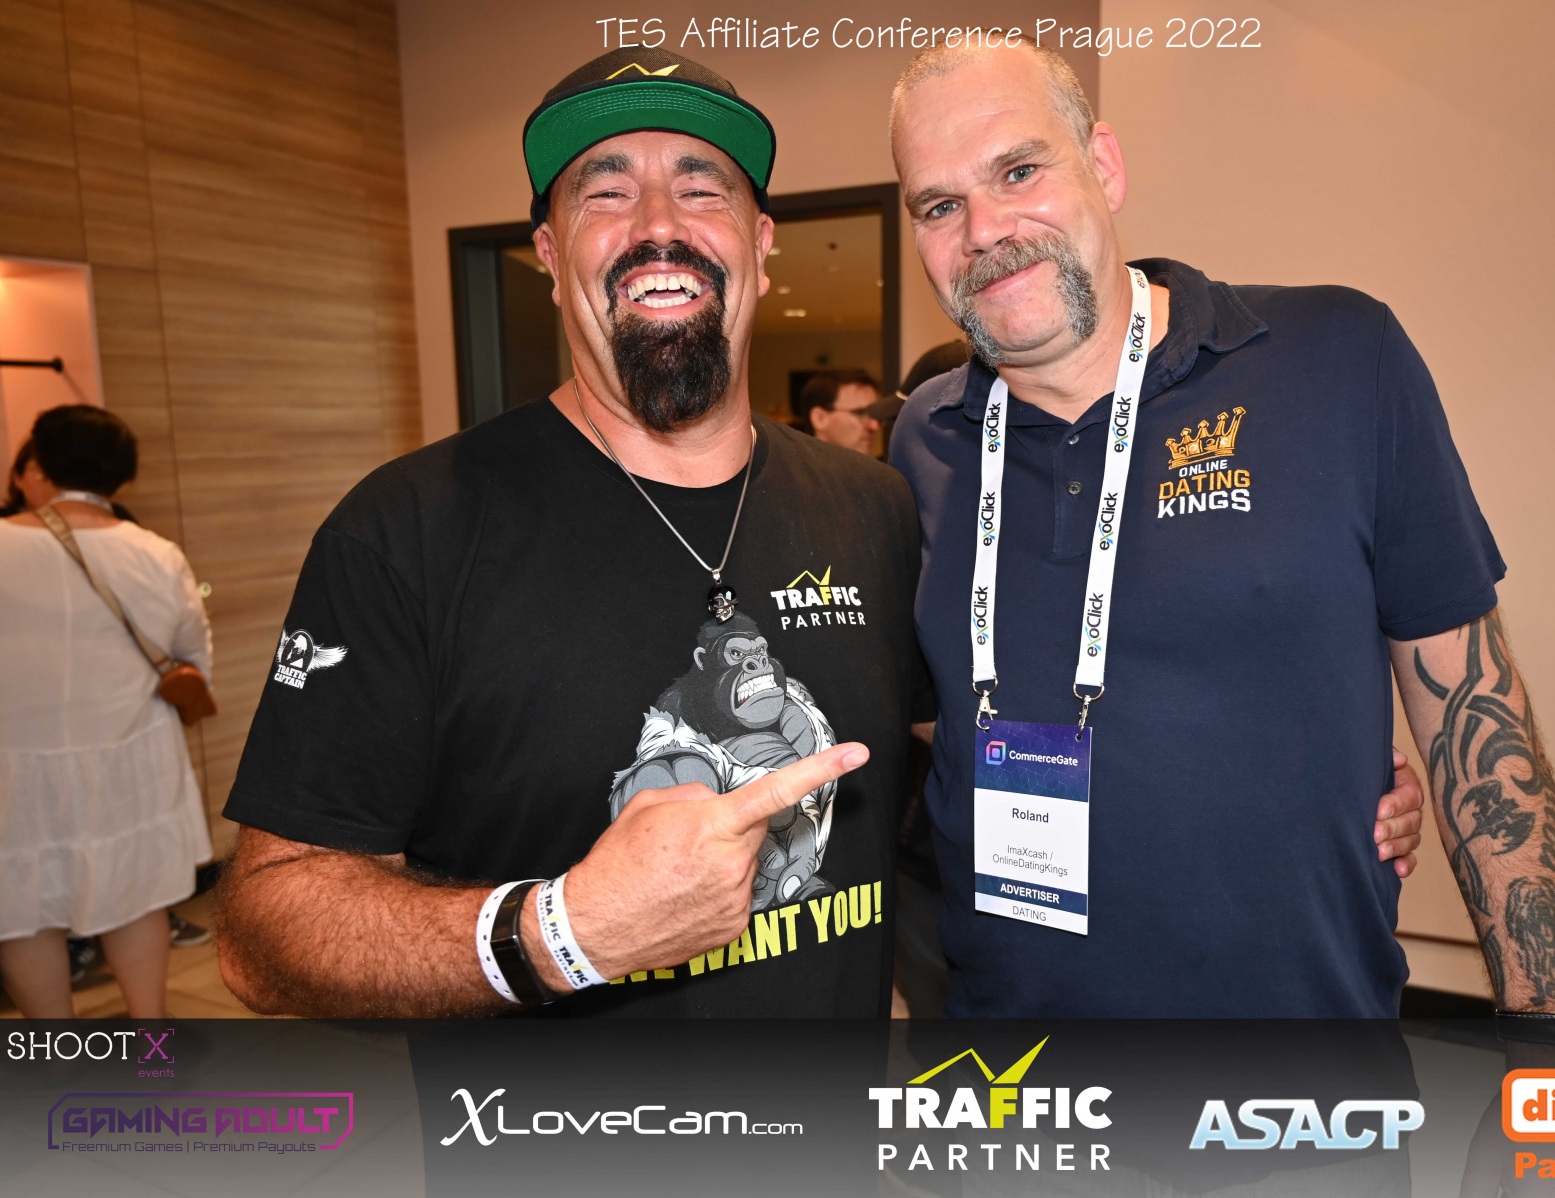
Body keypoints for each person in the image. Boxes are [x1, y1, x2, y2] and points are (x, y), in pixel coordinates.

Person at [212, 47, 927, 1018]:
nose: (659, 224)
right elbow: (260, 936)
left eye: (700, 187)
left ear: (761, 245)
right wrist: (561, 933)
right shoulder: (409, 530)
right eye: (606, 192)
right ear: (550, 257)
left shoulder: (875, 507)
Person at [885, 45, 1555, 1019]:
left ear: (1104, 166)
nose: (985, 230)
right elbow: (936, 701)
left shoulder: (1337, 362)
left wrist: (1551, 1040)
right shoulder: (927, 438)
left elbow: (1477, 717)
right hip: (1012, 1068)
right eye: (938, 205)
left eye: (1018, 170)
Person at [0, 406, 214, 1018]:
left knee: (23, 911)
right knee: (135, 898)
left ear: (41, 463)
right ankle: (152, 1043)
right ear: (123, 472)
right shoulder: (155, 553)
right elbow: (193, 659)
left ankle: (56, 1053)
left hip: (15, 766)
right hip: (130, 755)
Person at [791, 368, 882, 455]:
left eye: (875, 416)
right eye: (860, 413)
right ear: (820, 418)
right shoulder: (791, 465)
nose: (874, 426)